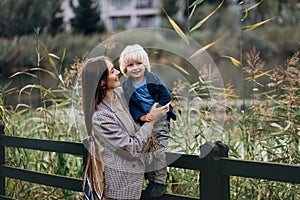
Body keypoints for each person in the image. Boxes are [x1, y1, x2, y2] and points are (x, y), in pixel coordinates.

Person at [81, 56, 169, 200]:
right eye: (112, 71)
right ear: (102, 81)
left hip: (140, 183)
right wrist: (152, 120)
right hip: (121, 189)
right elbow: (132, 149)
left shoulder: (122, 94)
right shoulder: (101, 117)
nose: (118, 72)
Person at [119, 44, 176, 198]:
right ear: (125, 69)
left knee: (158, 151)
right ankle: (151, 180)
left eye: (139, 63)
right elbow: (132, 105)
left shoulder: (152, 78)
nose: (135, 68)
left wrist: (157, 107)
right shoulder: (126, 86)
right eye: (130, 65)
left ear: (145, 64)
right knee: (146, 151)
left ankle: (159, 182)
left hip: (161, 120)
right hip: (145, 123)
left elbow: (166, 95)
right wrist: (142, 117)